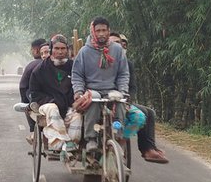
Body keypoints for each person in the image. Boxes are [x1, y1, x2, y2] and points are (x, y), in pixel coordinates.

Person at [71, 17, 130, 155]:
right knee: (93, 98)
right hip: (92, 90)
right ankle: (91, 138)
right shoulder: (85, 52)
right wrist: (79, 92)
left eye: (104, 30)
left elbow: (123, 74)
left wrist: (123, 91)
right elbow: (77, 75)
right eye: (98, 31)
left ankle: (118, 135)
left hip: (112, 89)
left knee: (119, 101)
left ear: (109, 31)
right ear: (93, 32)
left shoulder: (117, 49)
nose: (101, 33)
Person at [109, 33, 169, 164]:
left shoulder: (127, 64)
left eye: (121, 44)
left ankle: (148, 148)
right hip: (105, 100)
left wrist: (127, 101)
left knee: (149, 113)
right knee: (144, 113)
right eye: (115, 43)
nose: (119, 47)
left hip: (122, 100)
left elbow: (132, 87)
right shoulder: (102, 61)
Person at [27, 35, 82, 152]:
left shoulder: (74, 67)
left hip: (68, 105)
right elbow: (35, 93)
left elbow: (79, 85)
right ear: (51, 50)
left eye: (63, 49)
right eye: (57, 49)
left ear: (67, 50)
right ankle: (59, 143)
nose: (60, 52)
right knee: (53, 108)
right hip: (48, 104)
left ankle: (70, 146)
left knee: (78, 116)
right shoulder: (40, 70)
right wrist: (52, 100)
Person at [19, 38, 47, 139]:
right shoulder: (59, 64)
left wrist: (24, 101)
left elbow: (23, 86)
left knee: (28, 105)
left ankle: (33, 131)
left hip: (36, 98)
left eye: (32, 50)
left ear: (36, 50)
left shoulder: (32, 65)